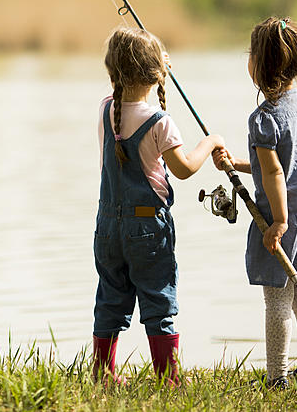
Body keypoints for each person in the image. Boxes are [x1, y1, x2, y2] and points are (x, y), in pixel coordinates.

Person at [92, 26, 224, 386]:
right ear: (155, 74)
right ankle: (167, 378)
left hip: (107, 227)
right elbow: (183, 170)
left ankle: (103, 375)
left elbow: (127, 91)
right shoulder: (159, 122)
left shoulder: (107, 110)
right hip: (148, 230)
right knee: (158, 302)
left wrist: (154, 66)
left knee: (110, 298)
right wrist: (210, 143)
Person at [213, 17, 297, 388]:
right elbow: (280, 166)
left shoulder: (263, 119)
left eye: (251, 54)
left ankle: (277, 378)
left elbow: (275, 177)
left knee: (277, 303)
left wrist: (279, 222)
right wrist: (236, 163)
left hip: (283, 224)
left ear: (259, 66)